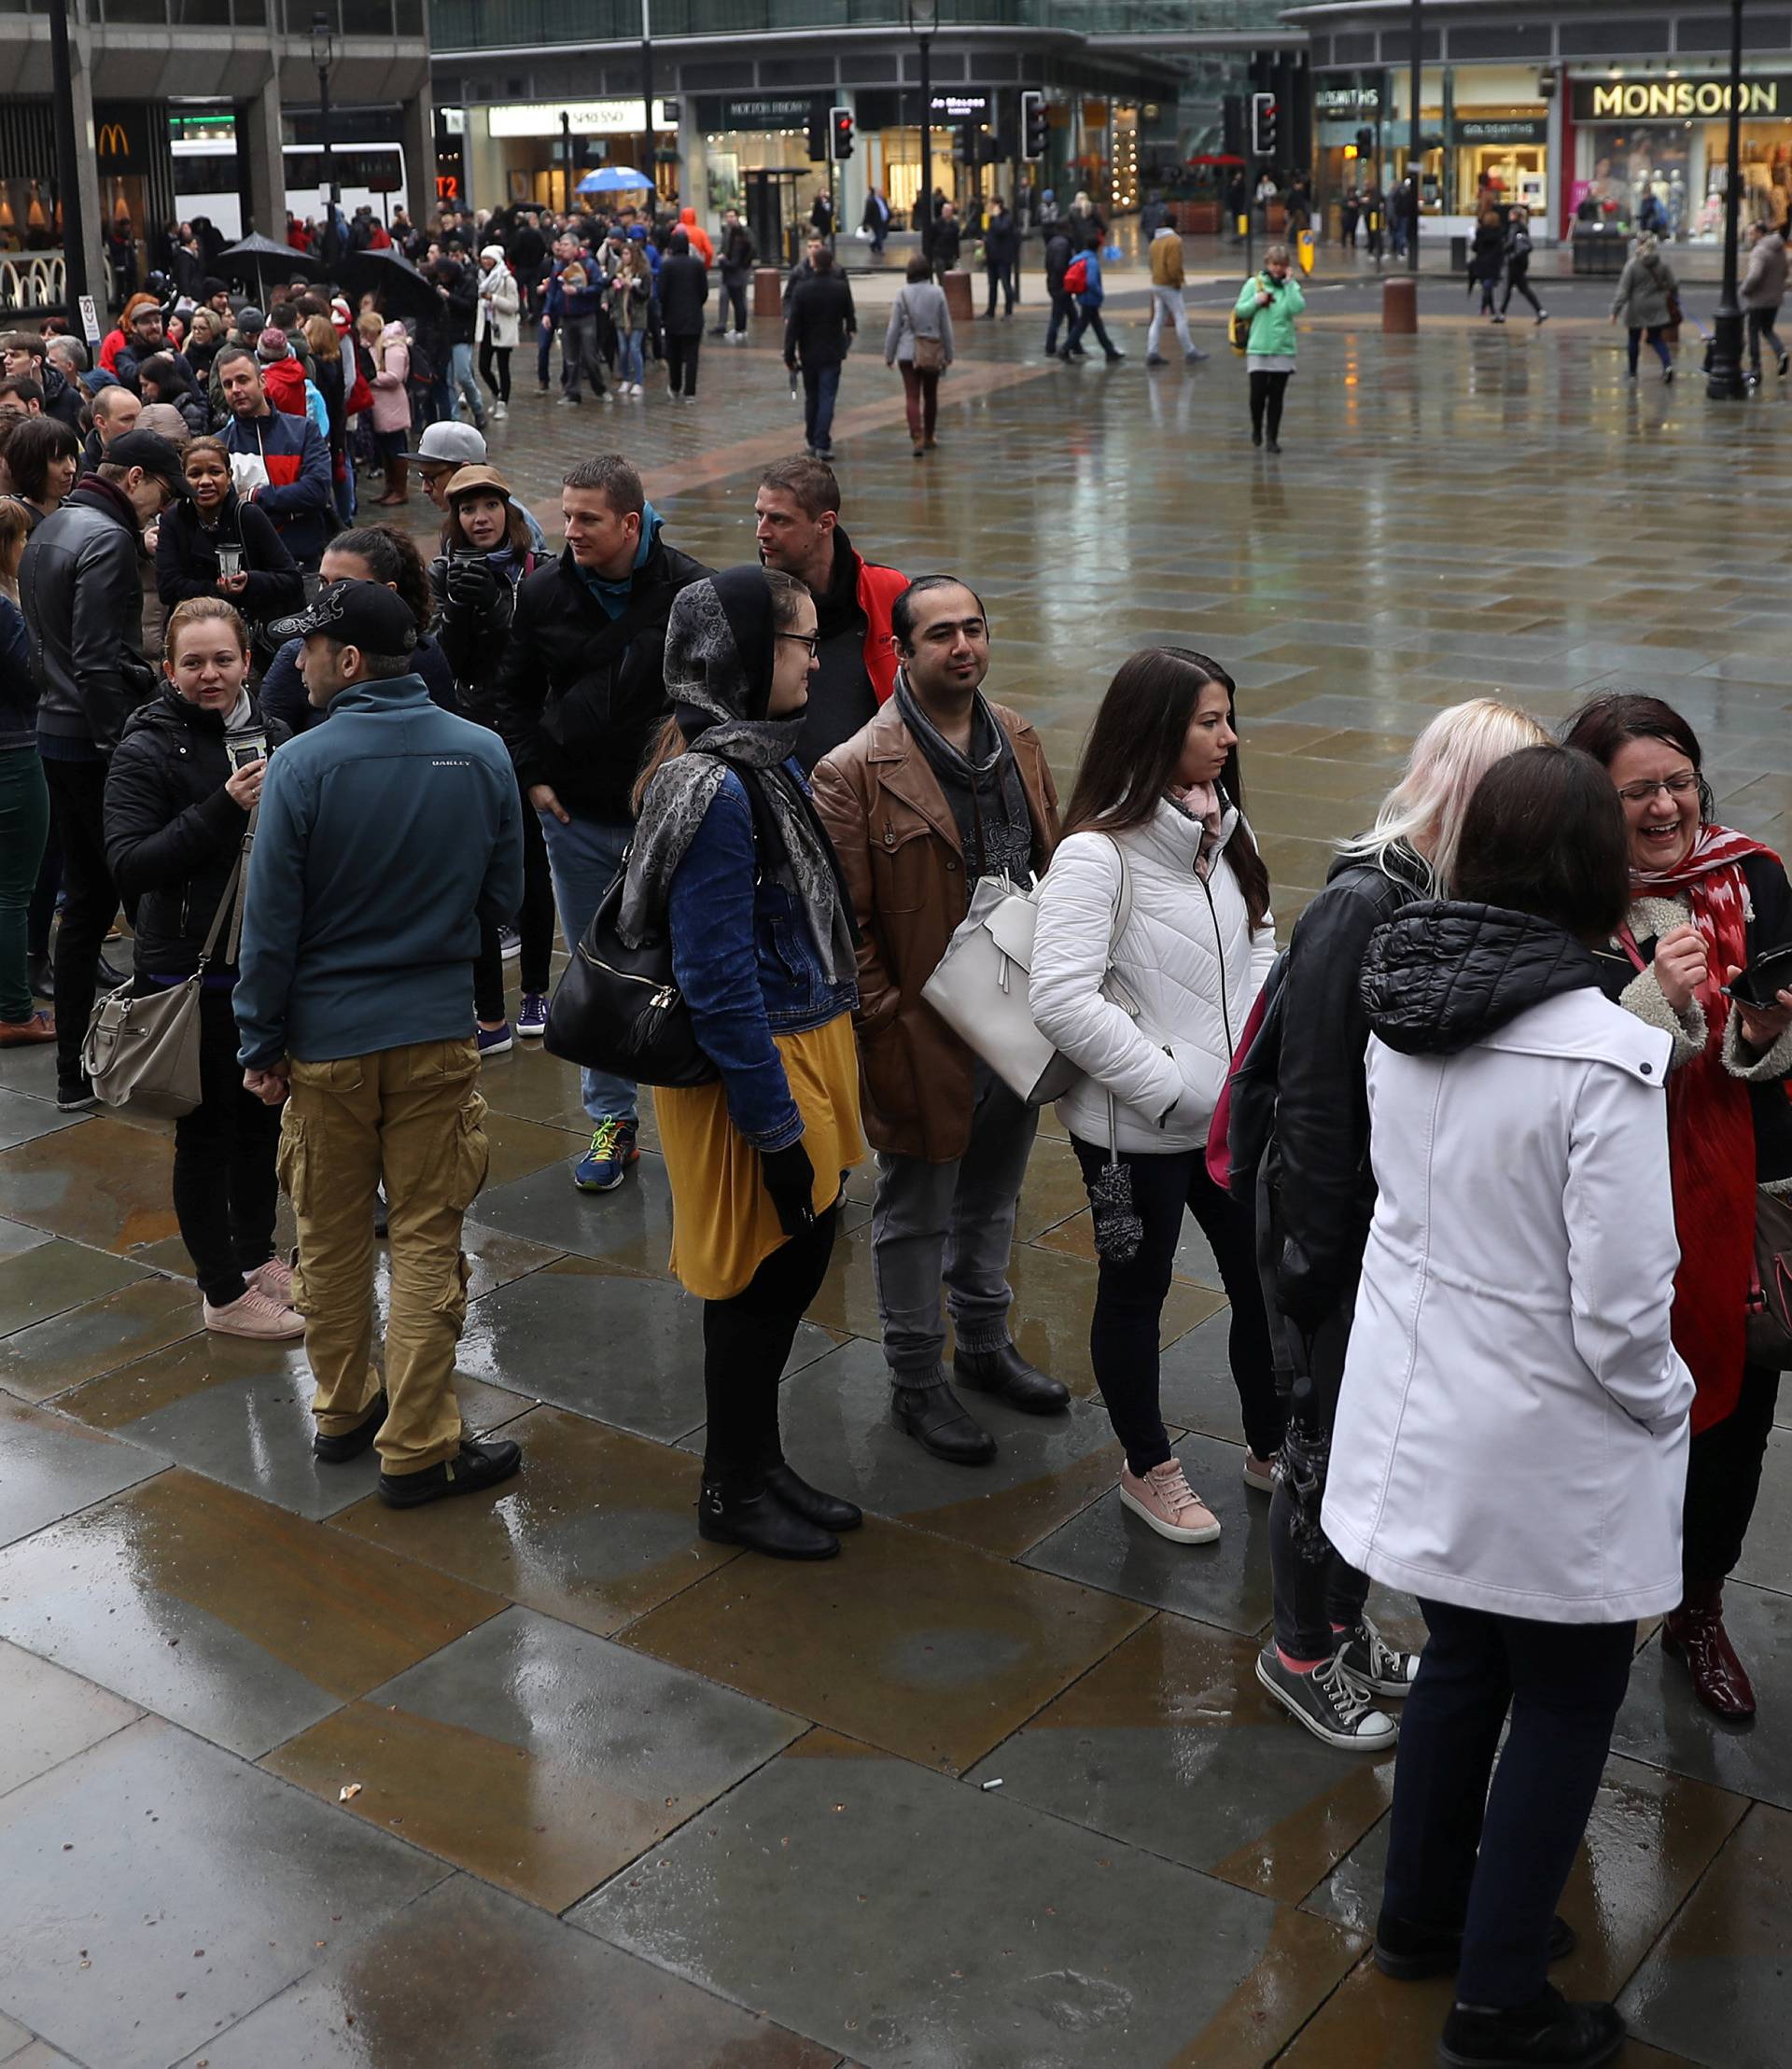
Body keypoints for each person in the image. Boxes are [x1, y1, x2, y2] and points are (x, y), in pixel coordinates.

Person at [1327, 745, 1693, 2069]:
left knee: (1463, 1661)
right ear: (1594, 871)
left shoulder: (1408, 1000)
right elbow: (1622, 1309)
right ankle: (1497, 1997)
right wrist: (1671, 1401)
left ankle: (1423, 1915)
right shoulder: (1604, 1059)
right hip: (1543, 1436)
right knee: (1565, 1694)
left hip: (1427, 1406)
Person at [1253, 697, 1551, 1751]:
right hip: (1335, 1230)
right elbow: (1317, 1103)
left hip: (1388, 1227)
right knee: (1323, 1445)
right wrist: (1314, 1261)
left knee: (1372, 1444)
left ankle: (1337, 1625)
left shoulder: (1440, 893)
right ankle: (1297, 1652)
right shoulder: (1364, 903)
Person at [234, 578, 524, 1509]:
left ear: (349, 662)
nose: (298, 661)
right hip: (435, 1032)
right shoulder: (481, 754)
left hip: (326, 1045)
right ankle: (423, 1442)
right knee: (431, 1238)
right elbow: (504, 901)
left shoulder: (305, 767)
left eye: (309, 648)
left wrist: (261, 1041)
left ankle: (345, 1410)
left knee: (328, 1236)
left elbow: (268, 925)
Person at [1561, 692, 1792, 1723]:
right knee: (1611, 1423)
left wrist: (1754, 1032)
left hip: (1738, 1192)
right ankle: (1587, 1621)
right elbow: (1558, 1070)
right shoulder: (1561, 899)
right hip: (1614, 1199)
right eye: (1637, 791)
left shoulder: (1755, 875)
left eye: (1680, 781)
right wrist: (1656, 1003)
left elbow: (1769, 1062)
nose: (1667, 808)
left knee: (1733, 1420)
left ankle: (1698, 1608)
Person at [626, 566, 864, 1559]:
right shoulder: (713, 788)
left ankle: (760, 1465)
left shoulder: (760, 760)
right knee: (758, 1280)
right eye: (799, 642)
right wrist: (771, 1129)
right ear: (746, 655)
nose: (815, 659)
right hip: (755, 1067)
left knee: (794, 1260)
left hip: (801, 1041)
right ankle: (730, 1487)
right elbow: (716, 975)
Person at [814, 577, 1066, 1466]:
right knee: (918, 1207)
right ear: (905, 652)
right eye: (941, 635)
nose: (963, 646)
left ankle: (986, 1344)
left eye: (975, 628)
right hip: (922, 1026)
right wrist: (886, 1023)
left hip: (1019, 1015)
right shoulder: (854, 769)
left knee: (995, 1193)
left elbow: (1053, 861)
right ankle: (918, 1376)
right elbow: (850, 923)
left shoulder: (1020, 738)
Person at [1031, 649, 1280, 1538]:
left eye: (1227, 718)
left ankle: (1271, 1442)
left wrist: (1244, 1067)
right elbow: (1061, 994)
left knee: (1262, 1284)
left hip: (1228, 1122)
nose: (1228, 738)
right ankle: (1149, 1465)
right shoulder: (1097, 854)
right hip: (1131, 1139)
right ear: (1154, 728)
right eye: (1208, 721)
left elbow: (1261, 939)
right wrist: (1174, 1091)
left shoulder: (1228, 832)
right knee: (1134, 1290)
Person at [495, 454, 708, 1190]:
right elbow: (513, 696)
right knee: (597, 969)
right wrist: (535, 779)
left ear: (629, 521)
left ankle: (699, 1109)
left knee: (696, 961)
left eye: (587, 519)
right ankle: (611, 1120)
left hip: (674, 820)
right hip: (577, 816)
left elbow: (719, 696)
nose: (569, 530)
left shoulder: (692, 587)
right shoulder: (544, 589)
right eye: (566, 515)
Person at [103, 598, 301, 1338]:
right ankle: (221, 1292)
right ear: (169, 670)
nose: (210, 674)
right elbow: (130, 864)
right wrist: (219, 808)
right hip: (188, 973)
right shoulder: (145, 746)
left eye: (223, 659)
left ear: (248, 661)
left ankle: (255, 1257)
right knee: (207, 1129)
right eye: (193, 662)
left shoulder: (277, 732)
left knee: (263, 1118)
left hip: (264, 965)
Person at [22, 429, 186, 1110]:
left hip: (53, 734)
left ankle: (72, 1072)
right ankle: (152, 1055)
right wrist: (121, 744)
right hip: (92, 743)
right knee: (142, 889)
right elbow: (93, 657)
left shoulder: (56, 522)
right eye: (161, 497)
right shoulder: (108, 537)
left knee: (87, 900)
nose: (158, 512)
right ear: (139, 477)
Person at [431, 464, 554, 1054]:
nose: (479, 519)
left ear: (509, 511)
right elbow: (443, 667)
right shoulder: (444, 575)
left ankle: (535, 989)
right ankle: (487, 1010)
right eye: (467, 510)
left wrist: (503, 613)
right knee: (474, 872)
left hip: (524, 740)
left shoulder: (540, 573)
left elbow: (540, 663)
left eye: (489, 506)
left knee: (531, 867)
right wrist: (458, 608)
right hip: (469, 742)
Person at [751, 455, 905, 772]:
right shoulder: (750, 603)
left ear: (825, 523)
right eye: (759, 516)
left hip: (878, 790)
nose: (761, 532)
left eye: (779, 520)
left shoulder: (888, 590)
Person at [259, 524, 455, 736]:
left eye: (343, 585)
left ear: (387, 592)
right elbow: (268, 737)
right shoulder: (296, 656)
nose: (327, 594)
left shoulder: (423, 654)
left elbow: (447, 735)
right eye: (323, 582)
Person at [155, 434, 302, 664]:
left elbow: (291, 578)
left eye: (214, 472)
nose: (205, 481)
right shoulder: (173, 520)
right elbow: (168, 587)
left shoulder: (248, 516)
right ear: (183, 479)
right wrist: (215, 589)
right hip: (192, 636)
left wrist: (250, 582)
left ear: (229, 475)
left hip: (248, 640)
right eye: (195, 474)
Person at [0, 500, 50, 1046]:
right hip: (12, 753)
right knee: (13, 890)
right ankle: (14, 1010)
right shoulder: (3, 609)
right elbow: (31, 679)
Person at [215, 347, 333, 569]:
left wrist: (254, 495)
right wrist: (289, 503)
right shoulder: (219, 445)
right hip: (249, 565)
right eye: (228, 384)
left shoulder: (303, 430)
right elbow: (223, 509)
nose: (236, 390)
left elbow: (316, 491)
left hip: (302, 559)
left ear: (262, 381)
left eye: (242, 380)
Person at [784, 244, 855, 461]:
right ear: (831, 264)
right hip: (832, 350)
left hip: (809, 350)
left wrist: (789, 354)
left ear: (814, 264)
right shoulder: (840, 288)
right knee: (827, 396)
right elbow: (850, 319)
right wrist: (846, 340)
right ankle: (822, 441)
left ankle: (812, 439)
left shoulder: (802, 289)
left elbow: (793, 325)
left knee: (811, 396)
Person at [1235, 245, 1305, 453]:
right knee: (1257, 395)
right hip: (1258, 347)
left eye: (1282, 265)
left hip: (1283, 348)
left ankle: (1272, 438)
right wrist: (1257, 300)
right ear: (1267, 264)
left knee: (1276, 396)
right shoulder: (1253, 284)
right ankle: (1257, 427)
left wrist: (1289, 284)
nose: (1278, 269)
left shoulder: (1290, 286)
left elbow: (1297, 308)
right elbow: (1240, 309)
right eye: (1274, 264)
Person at [884, 255, 954, 460]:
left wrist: (889, 354)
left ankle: (917, 436)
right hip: (931, 350)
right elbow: (945, 326)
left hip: (907, 352)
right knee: (931, 395)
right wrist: (949, 353)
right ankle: (930, 436)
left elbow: (894, 327)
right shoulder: (938, 292)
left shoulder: (902, 294)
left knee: (911, 396)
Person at [1611, 231, 1679, 383]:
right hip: (1657, 306)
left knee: (1633, 339)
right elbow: (1673, 284)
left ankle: (1633, 373)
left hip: (1636, 307)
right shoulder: (1662, 264)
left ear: (1639, 244)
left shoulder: (1633, 264)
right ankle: (1667, 366)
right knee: (1656, 338)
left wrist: (1615, 311)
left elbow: (1623, 291)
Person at [1145, 218, 1207, 368]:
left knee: (1158, 320)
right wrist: (1178, 280)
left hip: (1156, 283)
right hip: (1169, 285)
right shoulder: (1174, 241)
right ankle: (1189, 351)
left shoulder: (1154, 242)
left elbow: (1150, 264)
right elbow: (1174, 266)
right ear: (1175, 225)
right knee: (1180, 317)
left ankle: (1152, 352)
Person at [658, 229, 708, 401]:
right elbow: (704, 292)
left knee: (674, 355)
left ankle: (675, 385)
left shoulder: (667, 265)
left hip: (673, 317)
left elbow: (661, 293)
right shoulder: (697, 264)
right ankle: (690, 392)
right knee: (692, 356)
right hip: (694, 316)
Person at [6, 414, 81, 530]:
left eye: (71, 457)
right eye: (58, 459)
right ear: (30, 464)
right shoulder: (10, 523)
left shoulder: (79, 514)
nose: (71, 469)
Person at [1741, 218, 1788, 384]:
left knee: (1753, 333)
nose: (1749, 236)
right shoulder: (1779, 250)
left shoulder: (1759, 251)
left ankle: (1756, 370)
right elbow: (1784, 271)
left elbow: (1754, 275)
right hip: (1774, 299)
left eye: (1751, 233)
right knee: (1767, 329)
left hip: (1758, 300)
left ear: (1760, 233)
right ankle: (1780, 352)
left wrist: (1745, 289)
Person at [1061, 238, 1123, 366]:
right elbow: (1091, 281)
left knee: (1096, 325)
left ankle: (1109, 350)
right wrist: (1099, 294)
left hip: (1083, 296)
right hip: (1090, 298)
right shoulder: (1092, 262)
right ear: (1098, 248)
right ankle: (1065, 349)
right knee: (1083, 325)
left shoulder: (1080, 258)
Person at [604, 238, 652, 398]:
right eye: (623, 253)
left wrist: (632, 287)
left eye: (626, 253)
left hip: (637, 315)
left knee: (634, 348)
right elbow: (607, 284)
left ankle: (638, 381)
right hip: (620, 315)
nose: (624, 257)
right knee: (623, 350)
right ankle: (626, 378)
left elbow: (645, 295)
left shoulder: (643, 273)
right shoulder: (619, 270)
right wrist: (614, 283)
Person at [475, 244, 519, 419]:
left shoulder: (507, 279)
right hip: (487, 327)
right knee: (483, 367)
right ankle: (496, 392)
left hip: (502, 328)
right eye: (483, 258)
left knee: (503, 367)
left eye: (489, 258)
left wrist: (493, 299)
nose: (485, 262)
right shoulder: (481, 278)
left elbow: (513, 306)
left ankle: (503, 403)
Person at [1497, 205, 1547, 325]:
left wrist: (1502, 250)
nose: (1509, 216)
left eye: (1511, 214)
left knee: (1516, 289)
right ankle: (1502, 314)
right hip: (1521, 261)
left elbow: (1510, 243)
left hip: (1513, 261)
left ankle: (1540, 311)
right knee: (1513, 288)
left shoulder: (1514, 227)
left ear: (1515, 216)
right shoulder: (1523, 226)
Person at [715, 209, 757, 340]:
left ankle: (741, 327)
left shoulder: (744, 233)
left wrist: (743, 264)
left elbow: (751, 249)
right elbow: (724, 248)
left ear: (737, 217)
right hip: (729, 270)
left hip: (738, 270)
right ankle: (723, 324)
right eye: (727, 216)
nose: (729, 219)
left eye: (732, 216)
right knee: (724, 295)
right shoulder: (727, 232)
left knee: (739, 298)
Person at [80, 383, 142, 473]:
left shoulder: (153, 455)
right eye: (127, 419)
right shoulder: (82, 468)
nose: (138, 425)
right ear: (101, 422)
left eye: (141, 417)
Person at [984, 197, 1018, 319]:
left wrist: (997, 216)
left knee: (1006, 284)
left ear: (997, 205)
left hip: (1003, 258)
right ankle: (990, 311)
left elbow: (1001, 230)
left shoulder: (1006, 218)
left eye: (991, 204)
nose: (989, 207)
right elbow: (989, 234)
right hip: (992, 257)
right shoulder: (991, 218)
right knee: (992, 285)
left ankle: (1008, 311)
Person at [1469, 206, 1505, 319]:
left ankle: (1485, 308)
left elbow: (1474, 247)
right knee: (1488, 286)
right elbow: (1501, 249)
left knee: (1486, 286)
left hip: (1482, 262)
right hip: (1494, 262)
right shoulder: (1499, 233)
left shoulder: (1481, 232)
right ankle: (1490, 309)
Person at [931, 200, 962, 282]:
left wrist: (957, 255)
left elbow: (956, 240)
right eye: (945, 211)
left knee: (949, 275)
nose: (947, 213)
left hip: (950, 254)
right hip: (939, 253)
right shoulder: (937, 224)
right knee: (941, 275)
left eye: (949, 211)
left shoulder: (954, 225)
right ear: (942, 211)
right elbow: (932, 238)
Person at [861, 186, 892, 256]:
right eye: (880, 192)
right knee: (879, 235)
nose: (882, 193)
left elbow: (886, 209)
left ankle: (873, 245)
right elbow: (868, 212)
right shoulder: (871, 201)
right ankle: (880, 249)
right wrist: (865, 222)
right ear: (877, 193)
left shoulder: (883, 200)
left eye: (882, 192)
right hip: (876, 222)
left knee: (884, 235)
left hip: (884, 221)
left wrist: (890, 216)